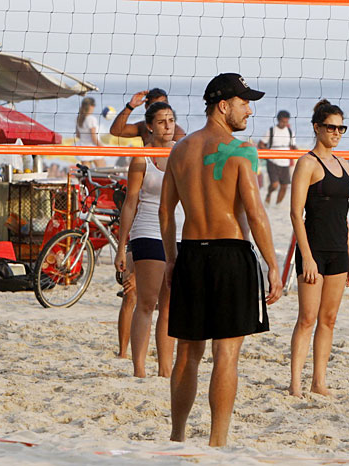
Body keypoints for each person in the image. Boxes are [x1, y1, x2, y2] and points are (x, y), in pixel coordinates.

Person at [159, 73, 282, 446]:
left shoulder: (179, 149)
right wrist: (272, 264)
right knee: (226, 354)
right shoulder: (239, 149)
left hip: (191, 254)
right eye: (244, 103)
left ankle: (177, 436)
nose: (249, 110)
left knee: (187, 353)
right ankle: (217, 441)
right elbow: (256, 213)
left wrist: (170, 259)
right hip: (230, 254)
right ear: (223, 105)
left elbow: (166, 213)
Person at [288, 99, 349, 398]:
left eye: (341, 127)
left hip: (338, 252)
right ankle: (295, 383)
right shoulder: (307, 163)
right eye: (331, 127)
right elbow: (295, 213)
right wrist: (306, 257)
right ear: (317, 128)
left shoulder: (343, 163)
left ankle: (319, 382)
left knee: (328, 320)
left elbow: (343, 216)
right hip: (313, 250)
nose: (337, 132)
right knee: (307, 318)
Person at [115, 102, 184, 378]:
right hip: (147, 231)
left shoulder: (182, 154)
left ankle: (165, 371)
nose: (168, 126)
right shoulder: (141, 158)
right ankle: (139, 369)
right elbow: (130, 203)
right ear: (150, 127)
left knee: (169, 307)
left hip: (178, 233)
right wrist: (122, 247)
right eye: (161, 121)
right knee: (147, 302)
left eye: (170, 120)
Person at [110, 88, 186, 145]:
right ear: (147, 107)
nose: (161, 108)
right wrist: (130, 106)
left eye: (163, 104)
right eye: (156, 106)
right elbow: (116, 131)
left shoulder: (177, 133)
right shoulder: (143, 127)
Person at [258, 109, 298, 204]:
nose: (284, 123)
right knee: (275, 184)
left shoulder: (290, 132)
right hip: (273, 161)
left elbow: (293, 146)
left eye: (286, 122)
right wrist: (269, 152)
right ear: (278, 120)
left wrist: (297, 152)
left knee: (284, 186)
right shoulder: (271, 131)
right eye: (283, 121)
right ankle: (269, 194)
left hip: (285, 162)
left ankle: (277, 206)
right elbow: (261, 144)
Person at [75, 96, 106, 168]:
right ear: (90, 106)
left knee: (86, 174)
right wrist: (102, 147)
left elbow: (78, 135)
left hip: (84, 149)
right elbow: (93, 138)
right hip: (94, 149)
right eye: (94, 105)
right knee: (103, 173)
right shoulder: (91, 119)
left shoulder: (79, 118)